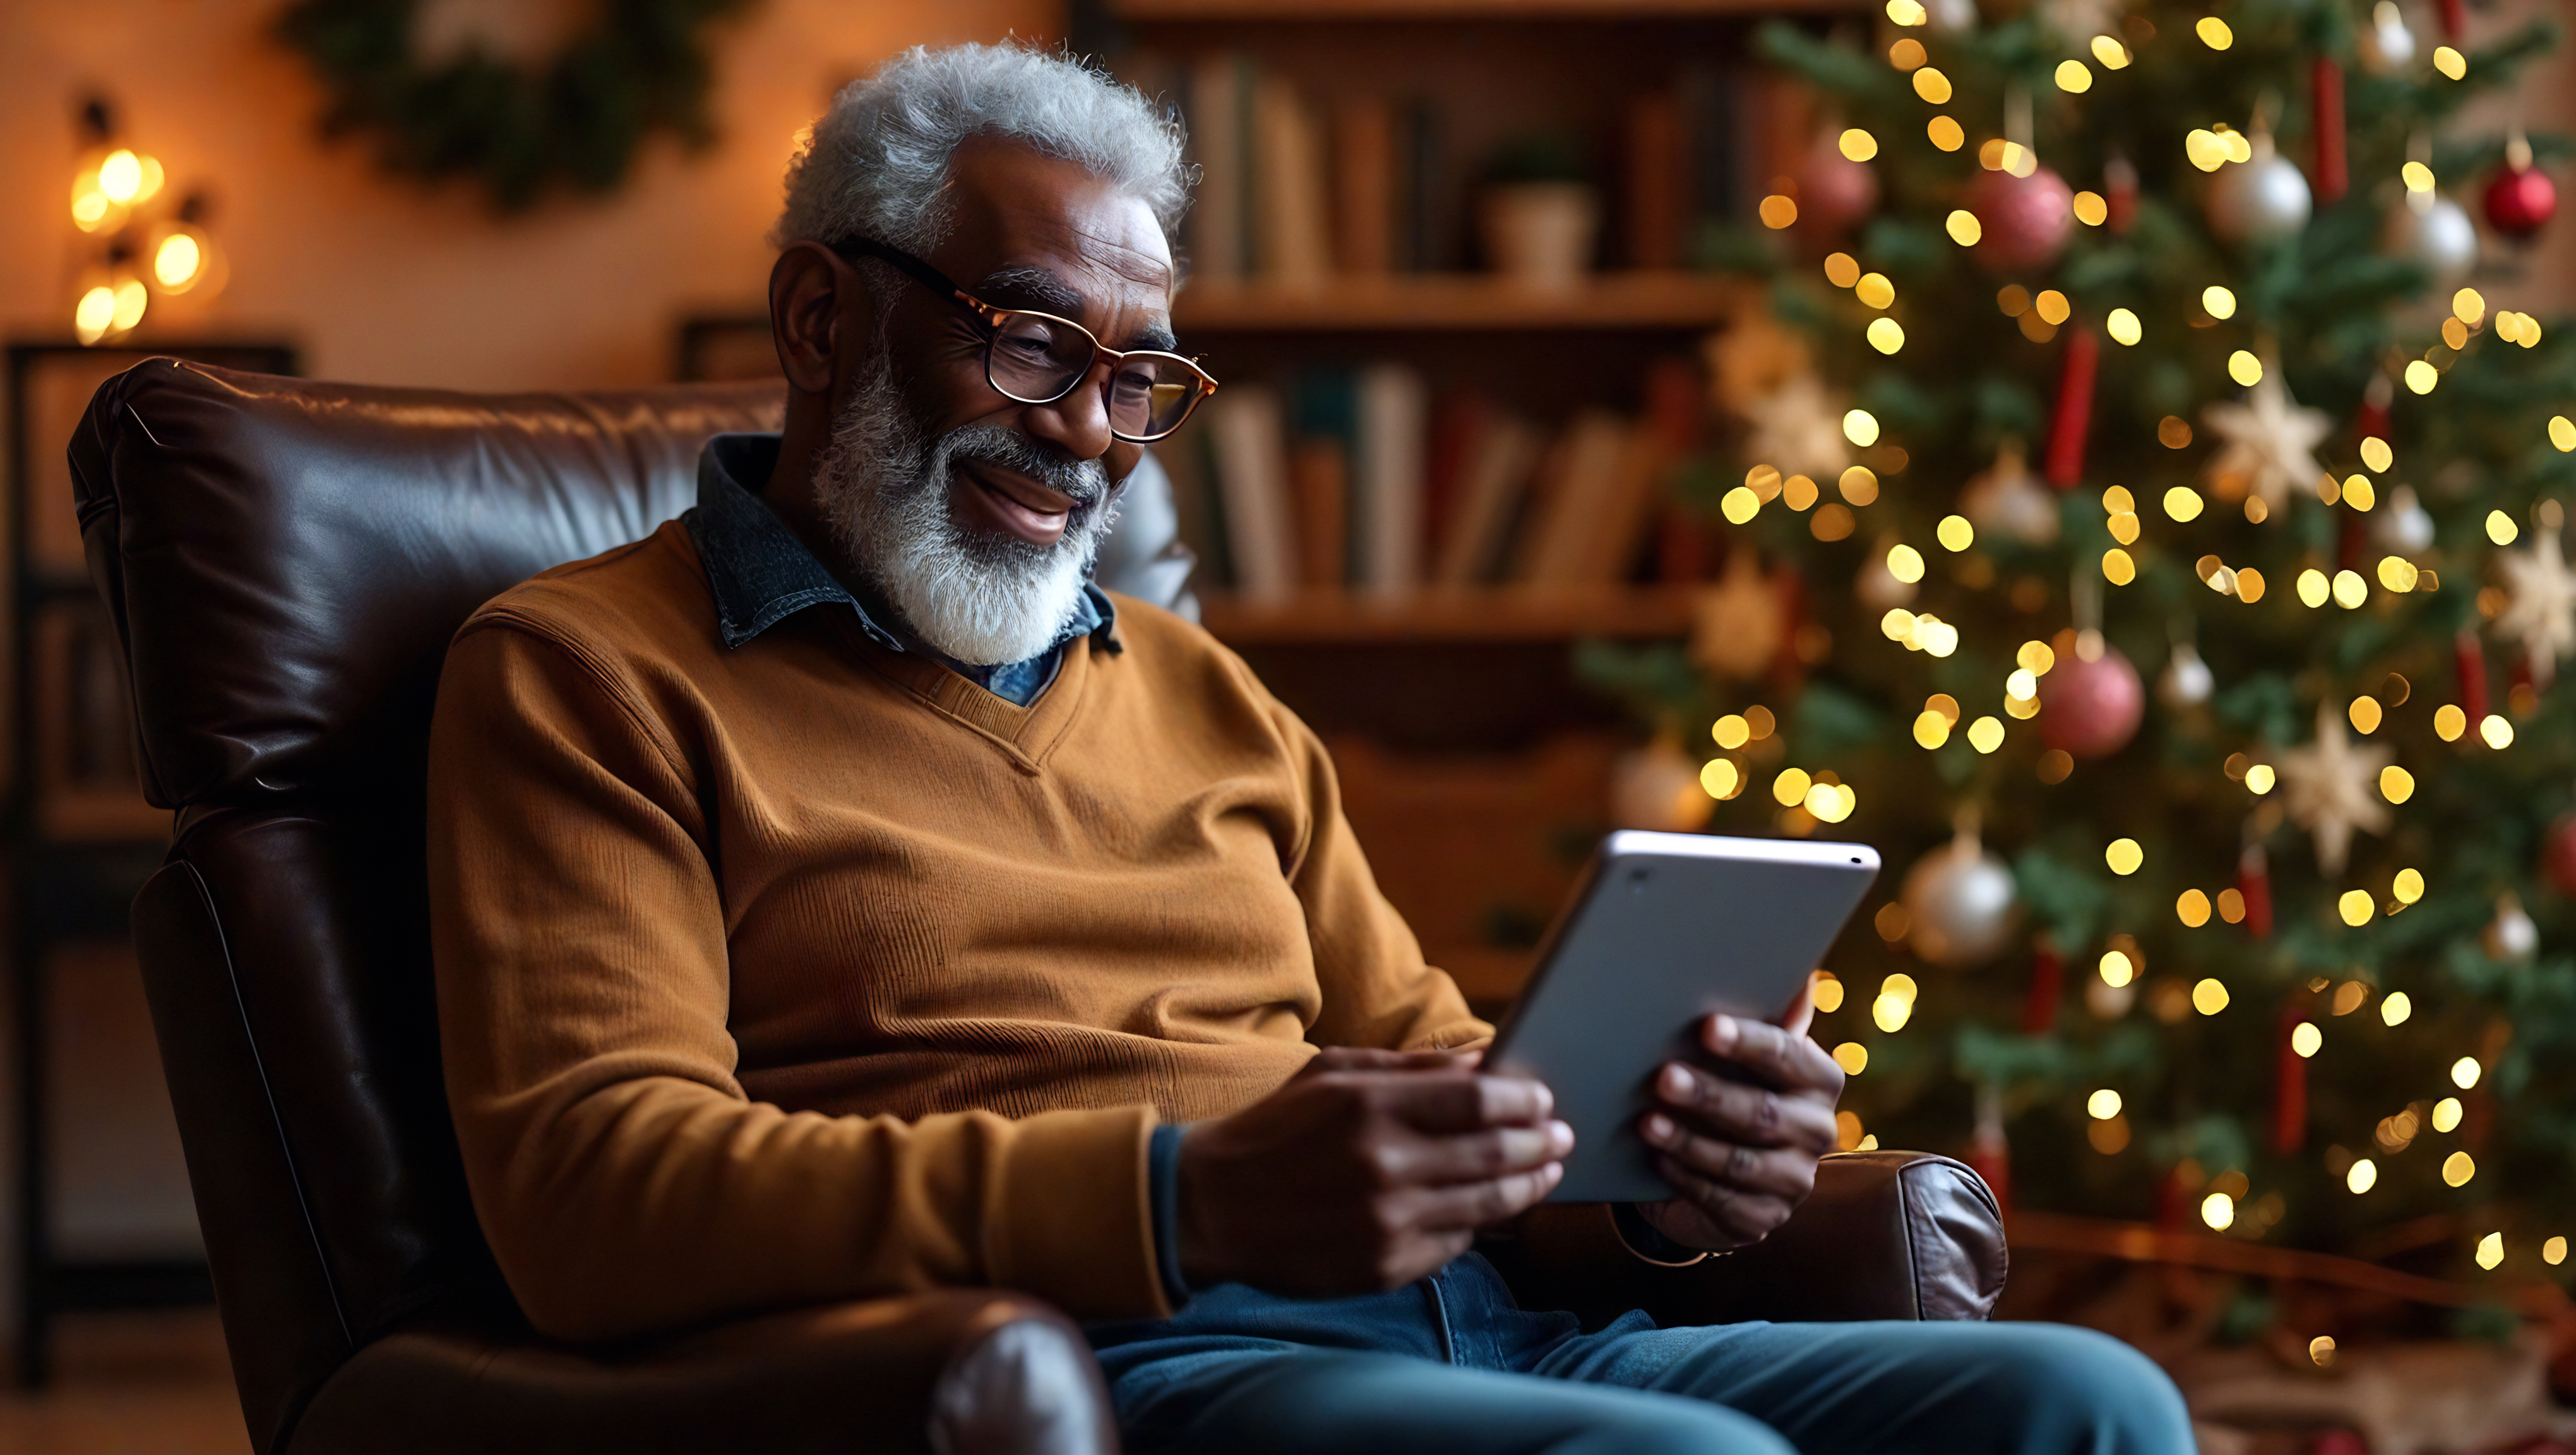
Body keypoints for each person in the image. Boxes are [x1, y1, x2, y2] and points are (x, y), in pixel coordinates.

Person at [427, 40, 2195, 1454]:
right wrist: (1180, 1195)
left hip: (1487, 1332)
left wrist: (1660, 1184)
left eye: (1141, 379)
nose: (1094, 442)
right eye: (1038, 344)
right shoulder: (587, 678)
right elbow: (599, 1191)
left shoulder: (1208, 696)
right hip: (1128, 1367)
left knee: (2087, 1403)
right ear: (821, 318)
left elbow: (1457, 1094)